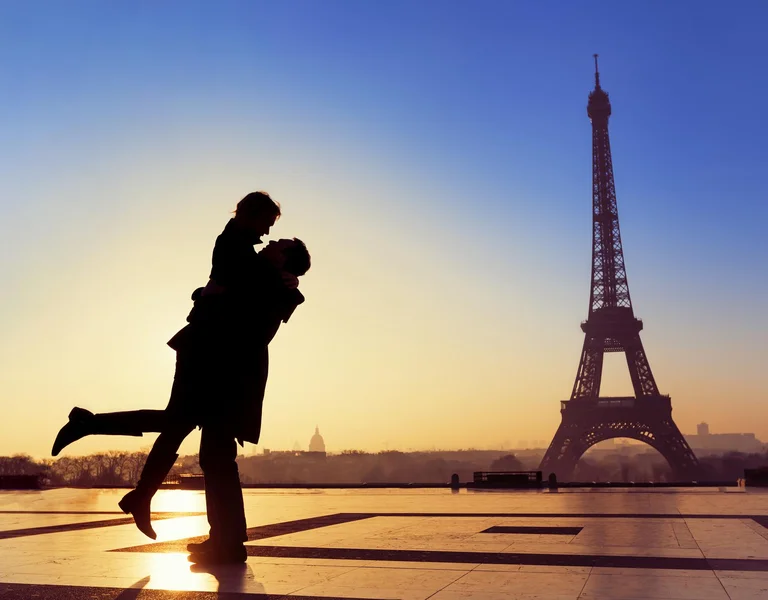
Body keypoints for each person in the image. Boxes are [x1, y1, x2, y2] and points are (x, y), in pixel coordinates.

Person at [52, 193, 310, 563]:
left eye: (278, 242)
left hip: (220, 374)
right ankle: (222, 539)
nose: (270, 236)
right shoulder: (261, 272)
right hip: (223, 376)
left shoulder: (266, 277)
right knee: (209, 453)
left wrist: (212, 292)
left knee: (185, 431)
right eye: (269, 227)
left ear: (286, 262)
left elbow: (230, 292)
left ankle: (96, 432)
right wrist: (208, 292)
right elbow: (226, 285)